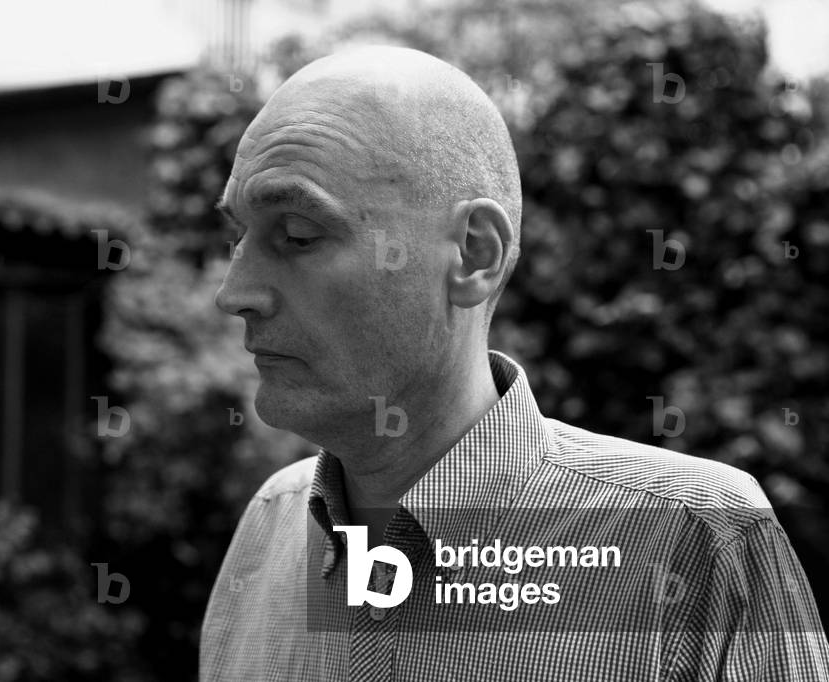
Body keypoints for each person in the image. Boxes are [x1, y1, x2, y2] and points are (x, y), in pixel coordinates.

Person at [202, 45, 829, 680]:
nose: (234, 293)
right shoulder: (267, 528)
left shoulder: (694, 540)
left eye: (298, 235)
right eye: (238, 236)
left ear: (474, 255)